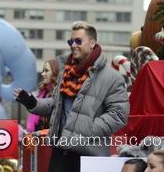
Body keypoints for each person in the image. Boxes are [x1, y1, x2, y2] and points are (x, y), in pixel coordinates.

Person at [13, 21, 129, 172]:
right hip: (60, 151)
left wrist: (87, 129)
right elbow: (56, 105)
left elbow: (119, 115)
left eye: (78, 41)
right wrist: (31, 102)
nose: (73, 45)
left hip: (88, 154)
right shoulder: (66, 72)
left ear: (92, 43)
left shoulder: (112, 77)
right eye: (71, 41)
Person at [26, 59, 59, 132]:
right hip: (36, 139)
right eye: (43, 71)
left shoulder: (59, 95)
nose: (42, 74)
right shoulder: (42, 93)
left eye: (46, 71)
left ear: (55, 72)